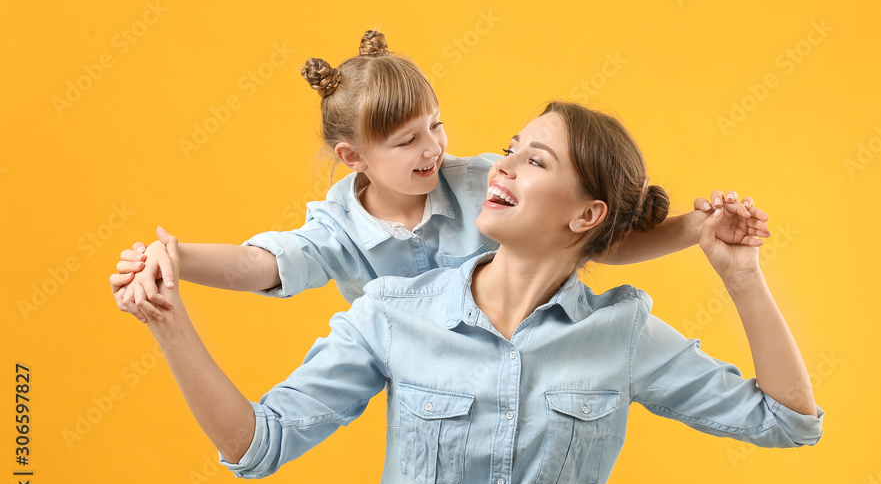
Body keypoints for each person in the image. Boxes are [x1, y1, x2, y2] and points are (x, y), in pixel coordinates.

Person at [117, 100, 823, 484]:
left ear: (586, 215)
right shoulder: (394, 313)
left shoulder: (622, 332)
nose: (500, 167)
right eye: (509, 148)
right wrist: (169, 321)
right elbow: (256, 444)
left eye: (534, 159)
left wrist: (741, 276)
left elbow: (788, 420)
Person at [110, 30, 769, 321]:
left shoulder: (485, 179)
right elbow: (262, 264)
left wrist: (695, 227)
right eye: (406, 142)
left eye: (437, 125)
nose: (433, 148)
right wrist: (177, 256)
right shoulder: (340, 229)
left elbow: (592, 236)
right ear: (354, 160)